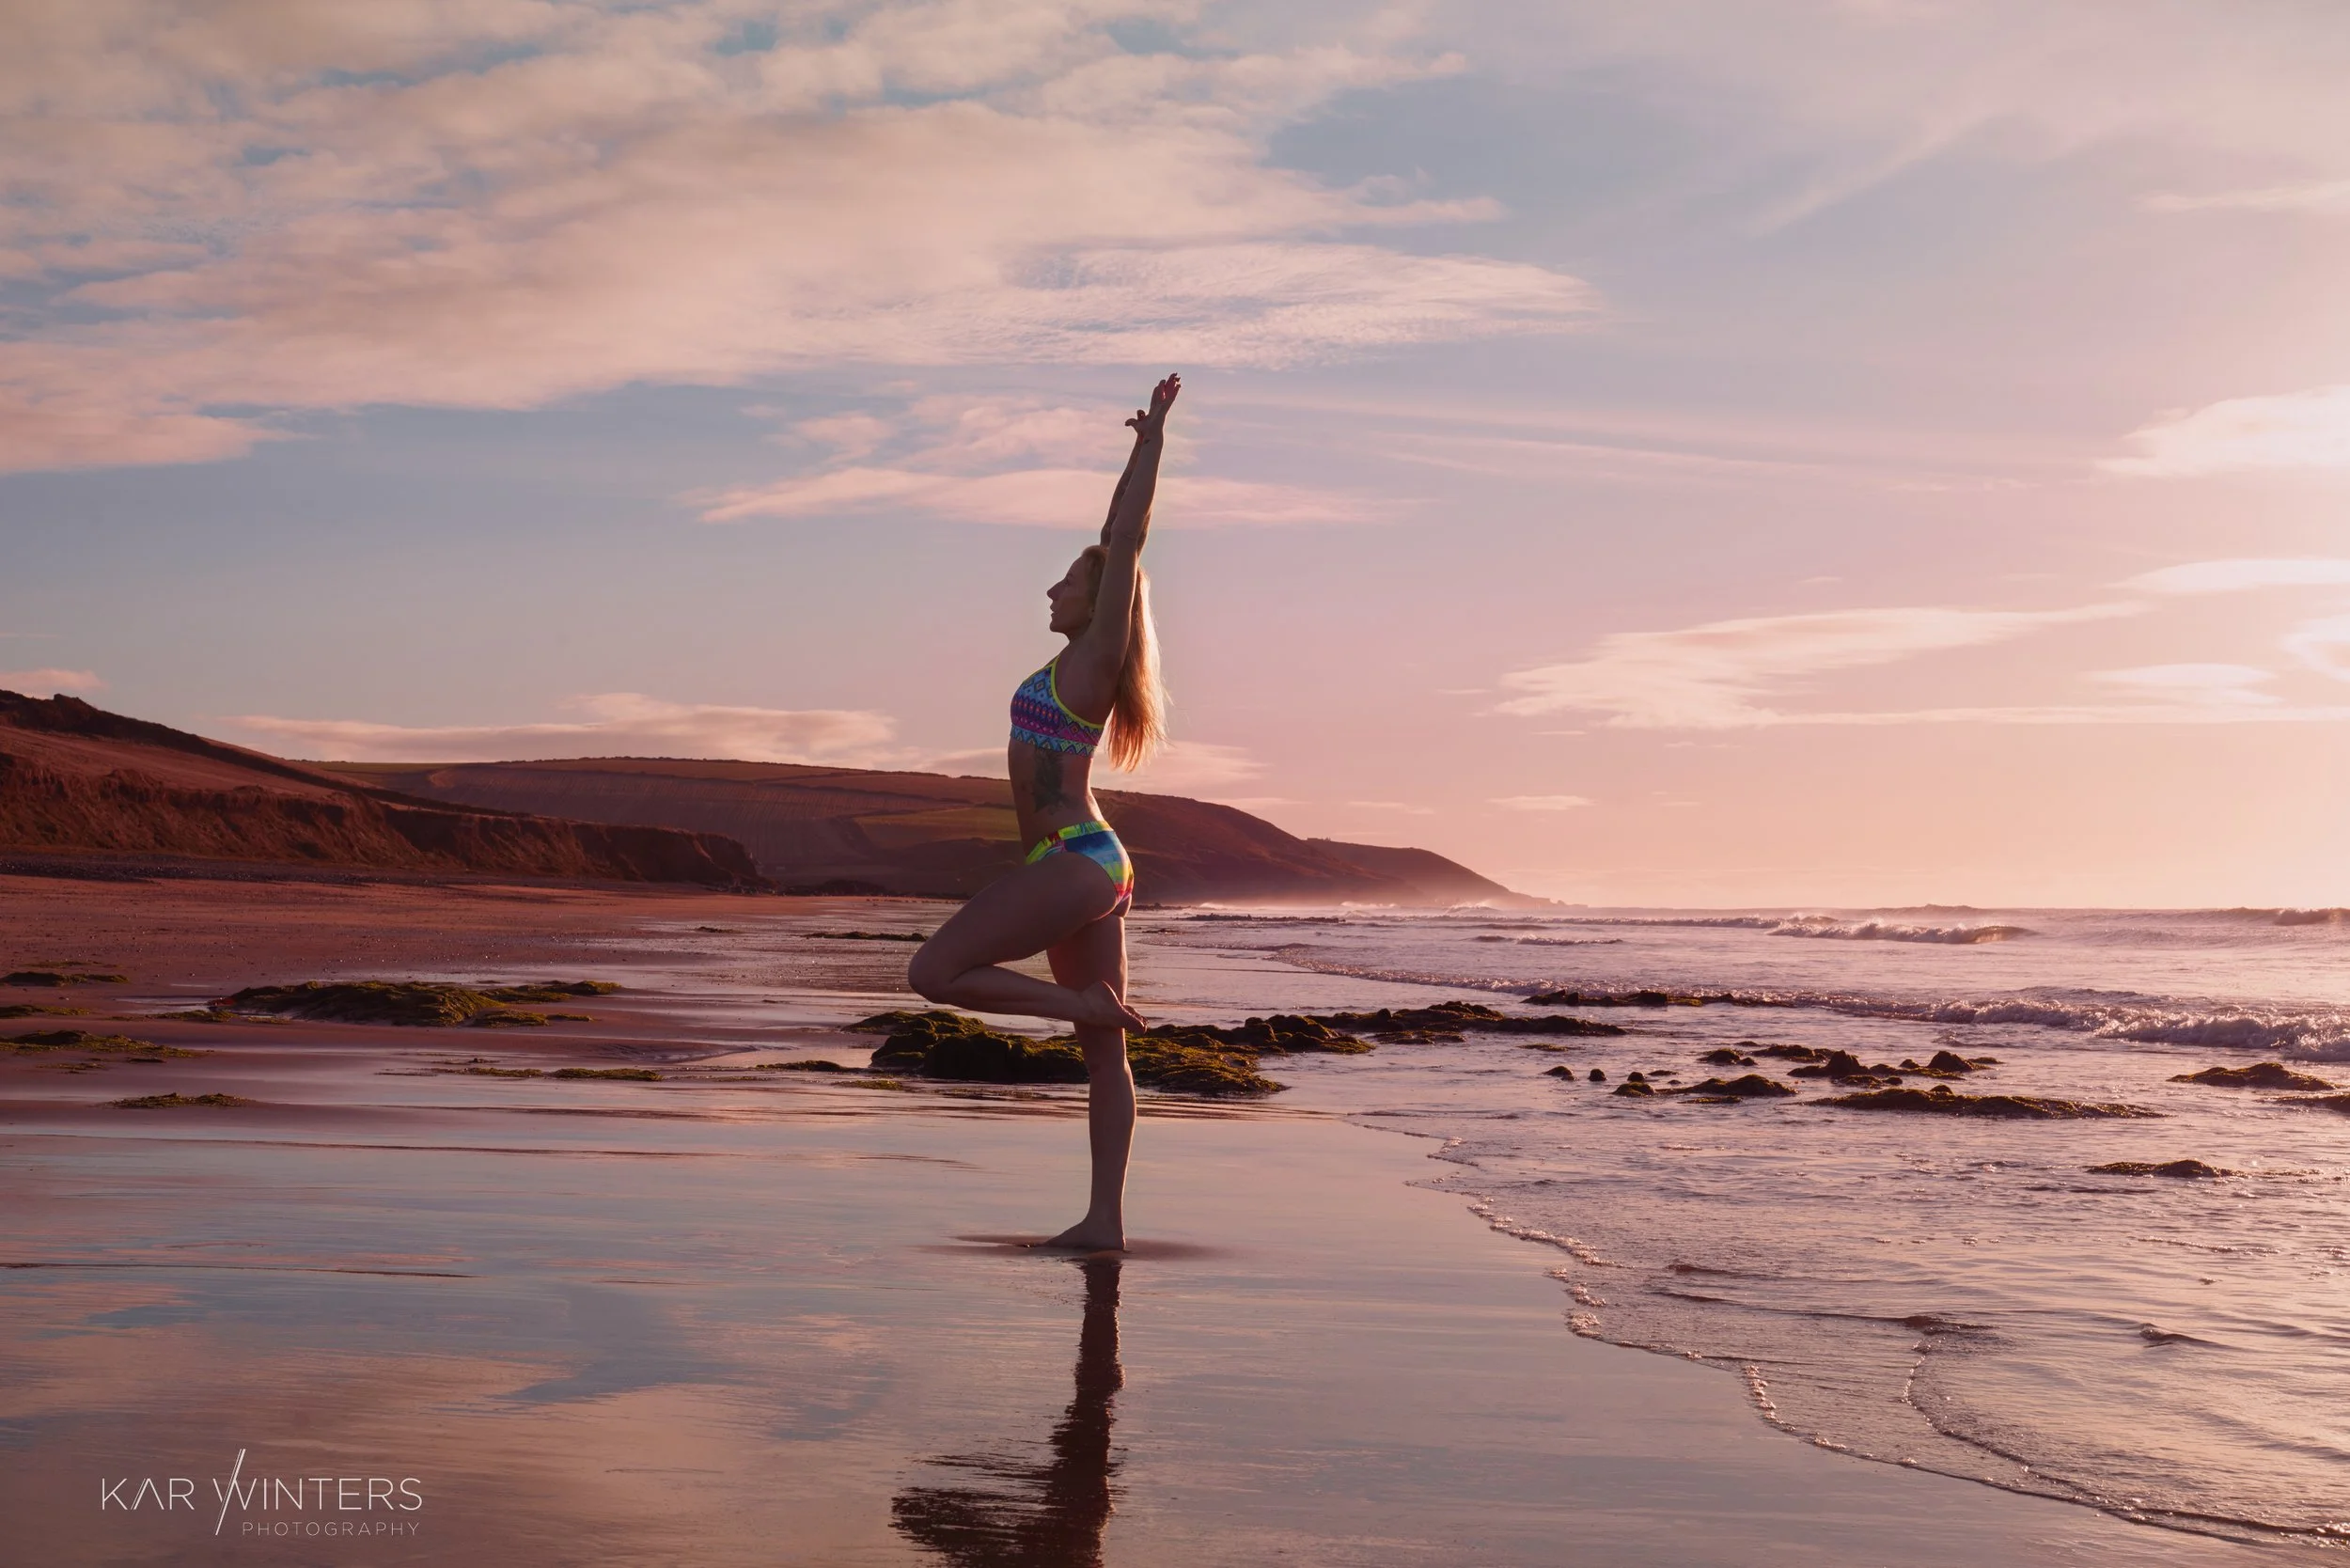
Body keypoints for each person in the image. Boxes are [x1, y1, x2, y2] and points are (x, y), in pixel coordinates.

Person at [906, 373, 1181, 1252]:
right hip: (1089, 862)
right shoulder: (1067, 669)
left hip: (1075, 858)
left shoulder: (1095, 662)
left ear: (1096, 606)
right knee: (1107, 1059)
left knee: (933, 975)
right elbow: (1108, 538)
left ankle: (1085, 1010)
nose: (1050, 591)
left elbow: (1124, 538)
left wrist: (1149, 446)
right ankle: (1105, 1222)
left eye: (1065, 583)